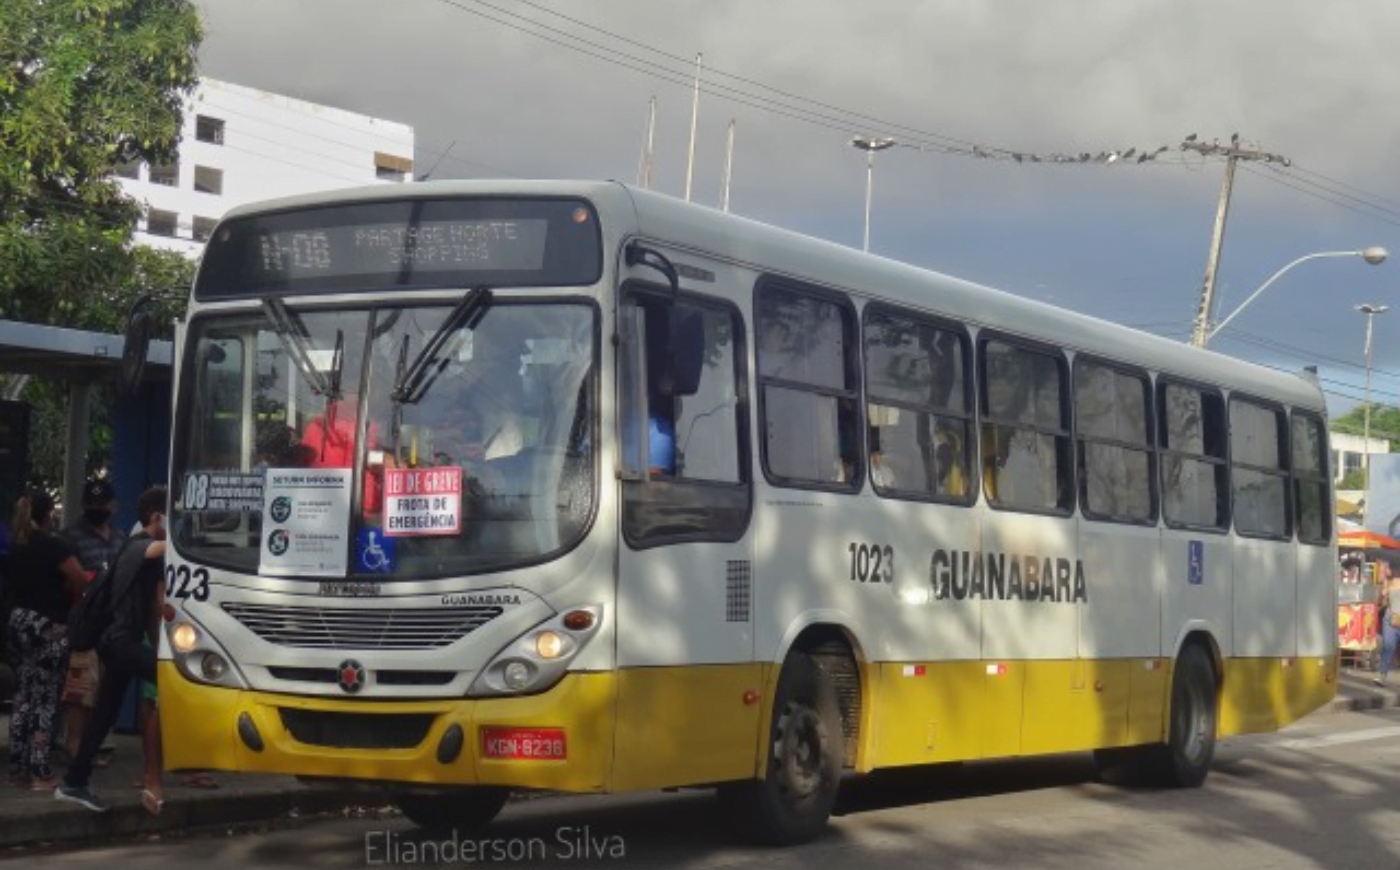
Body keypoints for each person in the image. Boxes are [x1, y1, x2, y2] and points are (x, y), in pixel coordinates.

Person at [55, 487, 167, 813]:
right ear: (155, 516)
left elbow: (151, 611)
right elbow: (159, 548)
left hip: (121, 639)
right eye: (170, 517)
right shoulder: (138, 546)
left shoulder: (136, 549)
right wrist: (190, 541)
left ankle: (75, 780)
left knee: (105, 712)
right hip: (118, 640)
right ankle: (154, 775)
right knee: (171, 679)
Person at [5, 492, 86, 791]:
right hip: (49, 627)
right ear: (46, 515)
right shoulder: (54, 547)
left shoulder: (17, 547)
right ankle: (40, 770)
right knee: (46, 697)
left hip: (19, 624)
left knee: (24, 696)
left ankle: (18, 767)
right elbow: (80, 579)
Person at [58, 479, 126, 761]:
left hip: (113, 621)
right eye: (92, 504)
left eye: (103, 504)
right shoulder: (70, 537)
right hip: (83, 621)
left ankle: (93, 743)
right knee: (81, 686)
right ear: (84, 505)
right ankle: (74, 744)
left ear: (113, 505)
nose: (98, 508)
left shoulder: (120, 538)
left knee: (104, 687)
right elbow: (65, 580)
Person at [1378, 569, 1400, 687]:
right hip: (1390, 619)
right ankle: (1382, 675)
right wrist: (1383, 595)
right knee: (1388, 646)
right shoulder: (1388, 582)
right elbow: (1383, 604)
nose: (1387, 570)